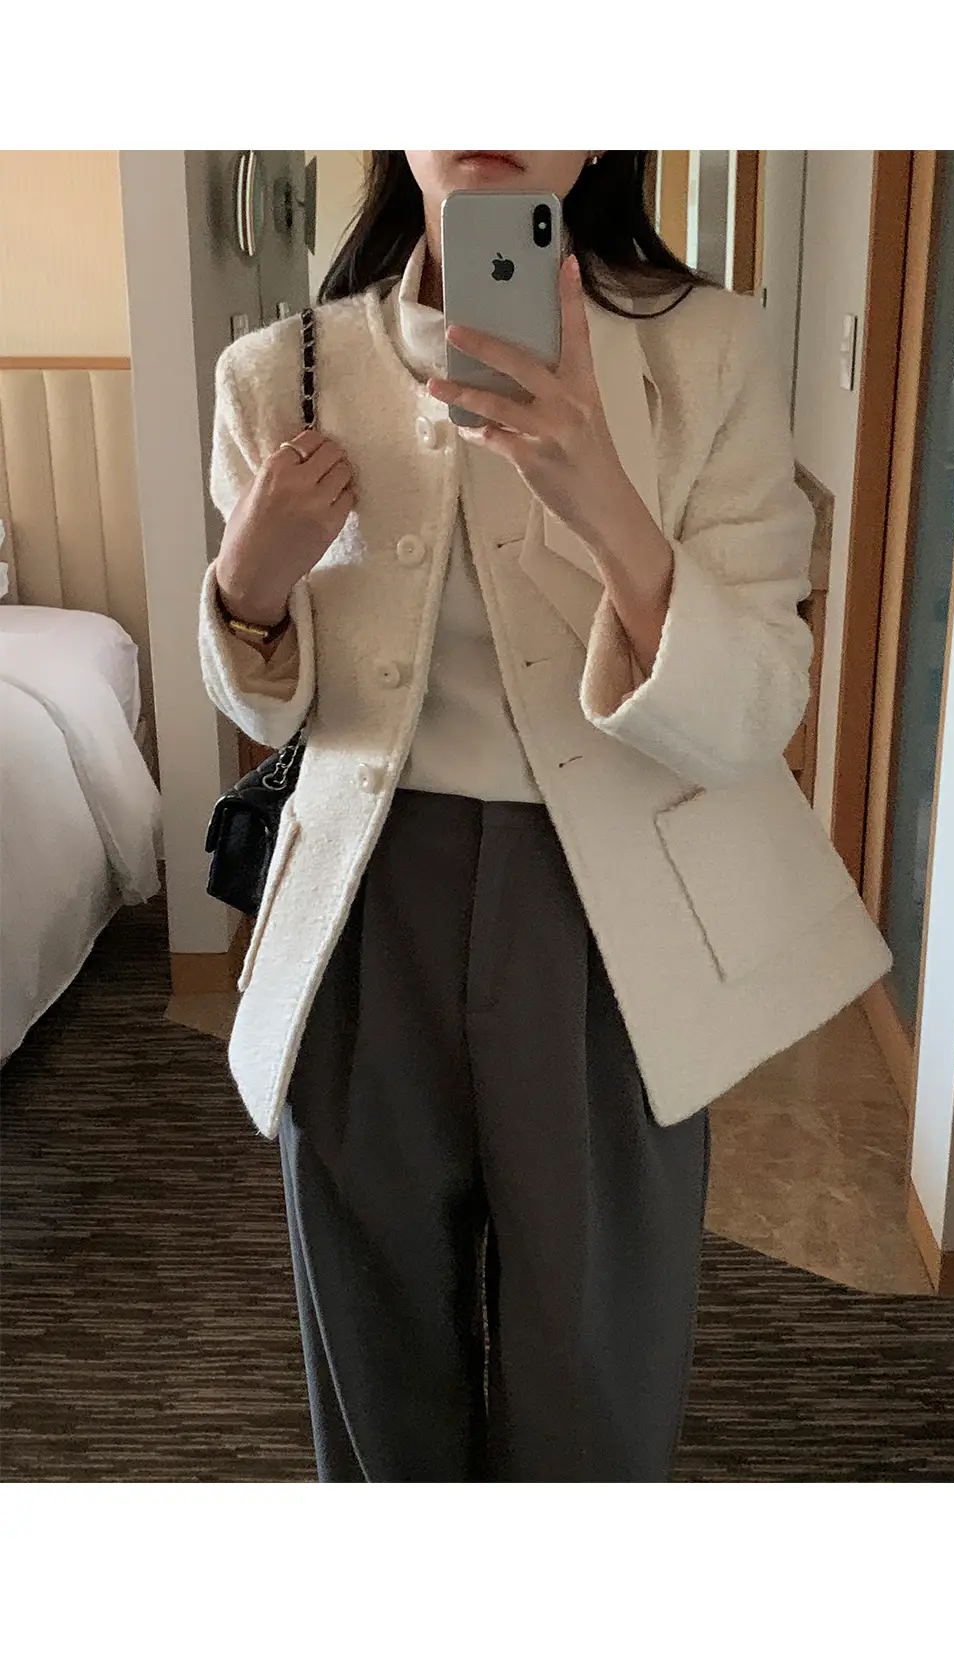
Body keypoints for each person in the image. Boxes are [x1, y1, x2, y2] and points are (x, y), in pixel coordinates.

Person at [198, 150, 891, 1482]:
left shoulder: (707, 350)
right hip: (361, 917)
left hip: (609, 926)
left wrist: (601, 494)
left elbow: (759, 706)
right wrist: (246, 587)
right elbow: (275, 711)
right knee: (376, 1353)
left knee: (594, 1371)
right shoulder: (276, 371)